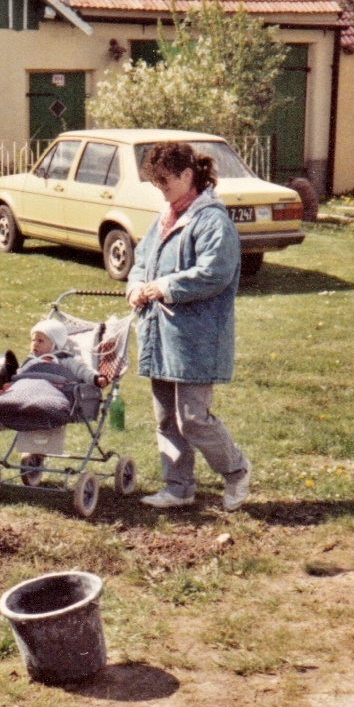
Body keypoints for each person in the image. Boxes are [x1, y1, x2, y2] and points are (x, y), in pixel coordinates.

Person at [126, 141, 251, 511]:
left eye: (165, 181)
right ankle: (178, 487)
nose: (161, 189)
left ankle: (236, 470)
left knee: (193, 418)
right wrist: (136, 285)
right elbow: (142, 258)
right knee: (165, 418)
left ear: (187, 175)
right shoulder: (166, 215)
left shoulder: (211, 219)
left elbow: (215, 272)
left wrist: (165, 286)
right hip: (161, 333)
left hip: (197, 336)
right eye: (156, 183)